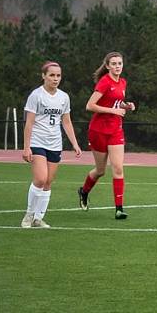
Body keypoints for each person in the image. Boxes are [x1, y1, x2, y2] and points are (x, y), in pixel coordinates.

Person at [20, 61, 82, 228]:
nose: (55, 79)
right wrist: (26, 147)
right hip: (37, 141)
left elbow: (67, 122)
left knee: (48, 181)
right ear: (44, 76)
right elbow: (29, 123)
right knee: (40, 178)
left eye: (58, 75)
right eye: (52, 75)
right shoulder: (36, 95)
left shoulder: (64, 97)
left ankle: (38, 218)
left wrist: (75, 143)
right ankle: (29, 214)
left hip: (55, 143)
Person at [77, 51, 135, 219]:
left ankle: (119, 209)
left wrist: (126, 106)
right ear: (108, 66)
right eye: (114, 64)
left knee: (118, 168)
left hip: (116, 130)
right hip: (98, 131)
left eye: (120, 63)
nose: (118, 66)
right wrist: (113, 110)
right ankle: (84, 191)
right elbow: (90, 105)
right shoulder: (104, 82)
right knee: (101, 170)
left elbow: (116, 102)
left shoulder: (123, 82)